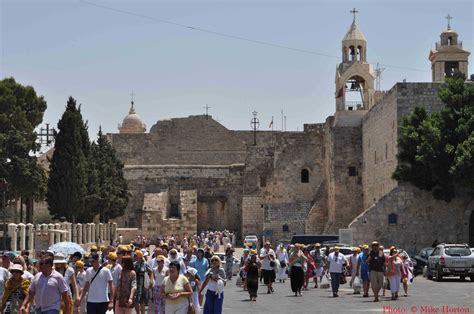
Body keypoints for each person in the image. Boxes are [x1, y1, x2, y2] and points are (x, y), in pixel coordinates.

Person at [134, 249, 153, 314]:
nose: (134, 257)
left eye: (136, 255)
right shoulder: (134, 264)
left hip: (143, 285)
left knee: (142, 301)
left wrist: (151, 281)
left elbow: (151, 272)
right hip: (136, 284)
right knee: (136, 300)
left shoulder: (145, 264)